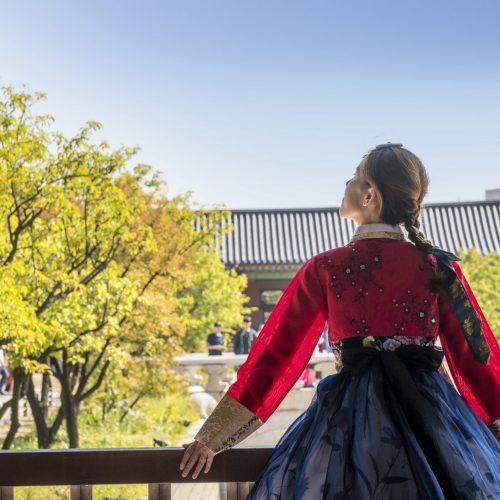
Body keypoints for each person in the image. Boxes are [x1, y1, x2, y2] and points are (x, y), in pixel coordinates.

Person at [180, 144, 500, 498]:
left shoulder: (327, 268)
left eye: (355, 176)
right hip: (437, 425)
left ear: (369, 194)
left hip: (348, 422)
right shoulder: (440, 268)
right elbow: (477, 357)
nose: (346, 184)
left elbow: (277, 356)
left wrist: (212, 437)